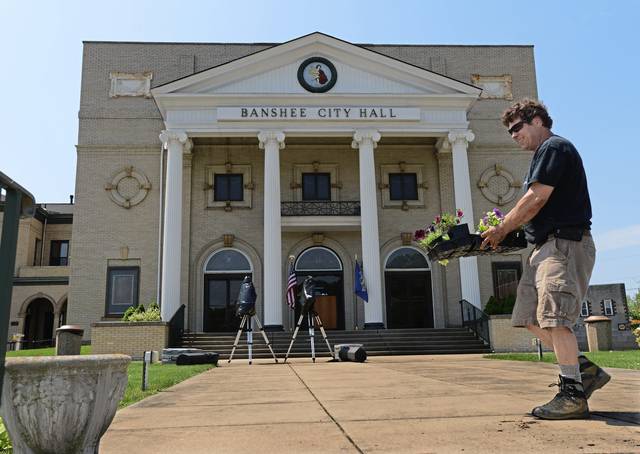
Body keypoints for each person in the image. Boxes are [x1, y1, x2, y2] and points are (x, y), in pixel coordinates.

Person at [480, 99, 610, 420]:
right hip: (542, 247)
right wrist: (507, 235)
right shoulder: (542, 155)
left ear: (537, 120)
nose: (513, 136)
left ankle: (572, 395)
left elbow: (536, 199)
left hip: (564, 245)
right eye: (509, 132)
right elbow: (535, 209)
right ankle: (582, 369)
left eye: (517, 128)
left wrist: (502, 227)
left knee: (555, 320)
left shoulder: (555, 148)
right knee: (529, 317)